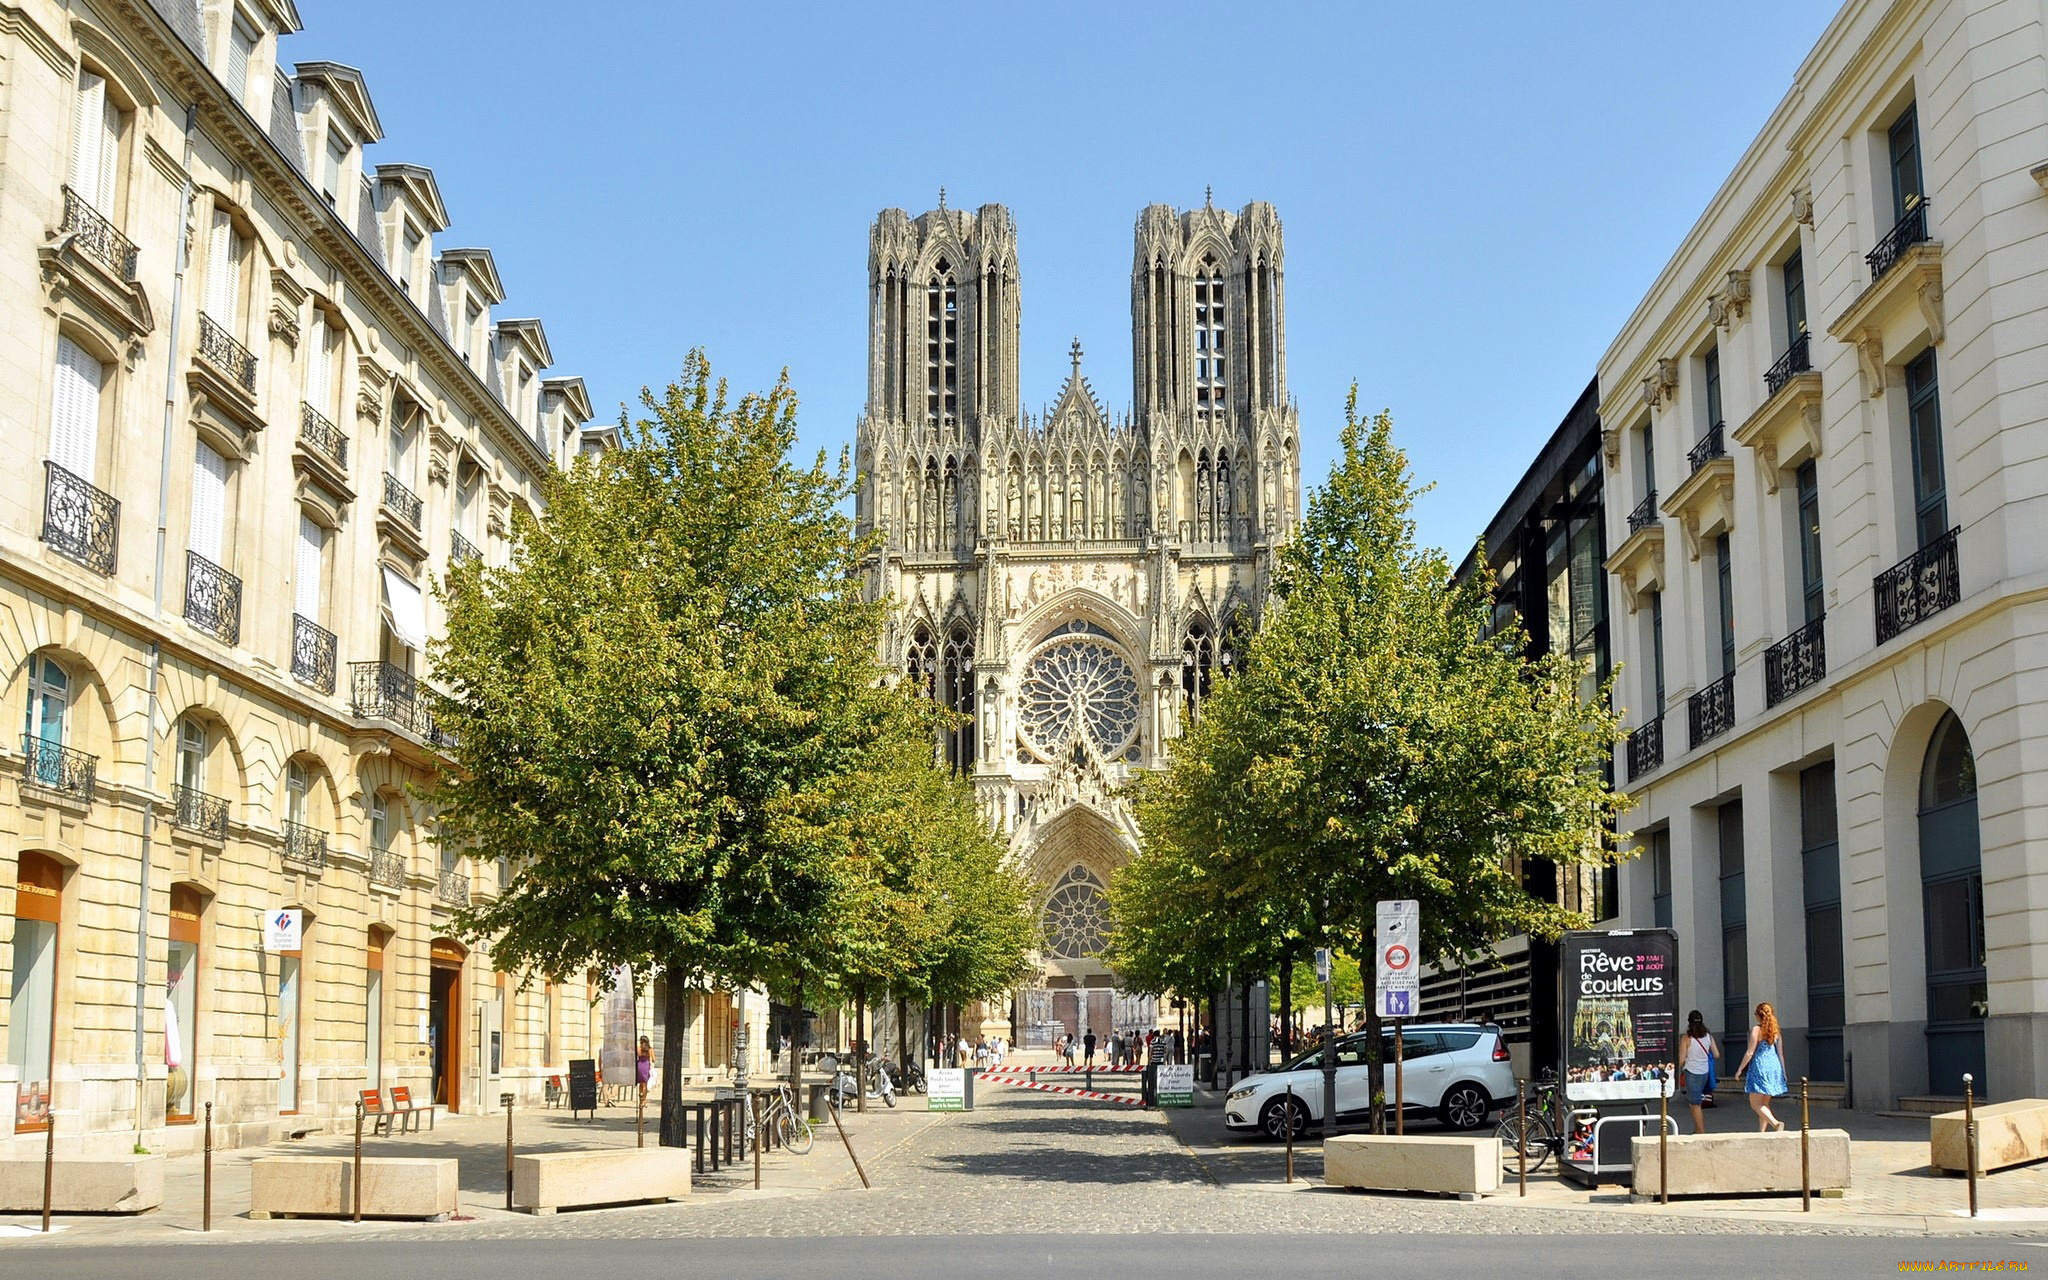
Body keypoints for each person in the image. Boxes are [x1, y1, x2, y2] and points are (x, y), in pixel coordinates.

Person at [1732, 1001, 1789, 1131]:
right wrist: (1783, 1072)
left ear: (1758, 1015)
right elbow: (1780, 1054)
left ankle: (1775, 1123)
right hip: (1774, 1067)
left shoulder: (1757, 1030)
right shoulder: (1776, 1032)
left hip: (1760, 1067)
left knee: (1755, 1104)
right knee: (1764, 1103)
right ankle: (1762, 1132)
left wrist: (1740, 1069)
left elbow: (1750, 1051)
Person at [1674, 1010, 1716, 1134]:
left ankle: (1701, 1130)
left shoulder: (1686, 1038)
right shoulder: (1708, 1036)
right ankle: (1697, 1129)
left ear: (1689, 1022)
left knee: (1695, 1103)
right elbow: (1717, 1053)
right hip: (1705, 1072)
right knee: (1695, 1102)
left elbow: (1681, 1060)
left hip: (1692, 1072)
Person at [635, 1035, 653, 1106]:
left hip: (639, 1066)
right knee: (645, 1084)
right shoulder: (650, 1049)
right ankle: (644, 1100)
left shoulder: (638, 1049)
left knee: (641, 1083)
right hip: (646, 1066)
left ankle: (640, 1097)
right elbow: (654, 1059)